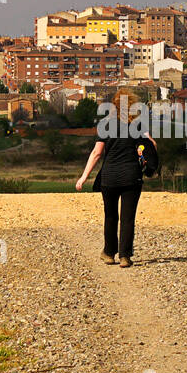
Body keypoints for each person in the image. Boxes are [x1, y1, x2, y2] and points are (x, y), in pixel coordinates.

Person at [76, 89, 158, 268]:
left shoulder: (106, 124)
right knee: (128, 218)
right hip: (132, 177)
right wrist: (147, 160)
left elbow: (97, 153)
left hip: (109, 177)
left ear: (114, 105)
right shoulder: (137, 125)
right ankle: (125, 257)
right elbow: (152, 145)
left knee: (110, 215)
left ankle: (108, 253)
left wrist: (83, 177)